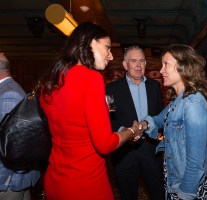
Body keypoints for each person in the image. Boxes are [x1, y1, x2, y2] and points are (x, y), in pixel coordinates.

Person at [38, 22, 143, 200]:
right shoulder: (91, 78)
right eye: (107, 48)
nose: (110, 56)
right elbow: (105, 144)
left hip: (55, 182)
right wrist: (133, 130)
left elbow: (70, 122)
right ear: (91, 42)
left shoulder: (51, 80)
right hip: (86, 183)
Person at [139, 44, 207, 200]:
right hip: (175, 178)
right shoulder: (178, 100)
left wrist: (186, 193)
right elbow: (159, 119)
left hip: (187, 186)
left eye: (166, 64)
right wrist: (143, 125)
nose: (161, 71)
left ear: (183, 66)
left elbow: (195, 161)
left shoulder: (193, 104)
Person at [106, 45, 164, 200]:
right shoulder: (111, 89)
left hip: (150, 149)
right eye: (134, 61)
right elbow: (108, 119)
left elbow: (159, 116)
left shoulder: (154, 86)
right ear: (125, 65)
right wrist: (125, 131)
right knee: (128, 195)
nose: (139, 65)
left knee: (158, 193)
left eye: (142, 61)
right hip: (124, 152)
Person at [0, 53, 40, 200]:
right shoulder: (8, 89)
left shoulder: (8, 94)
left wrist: (6, 180)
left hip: (8, 180)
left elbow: (11, 146)